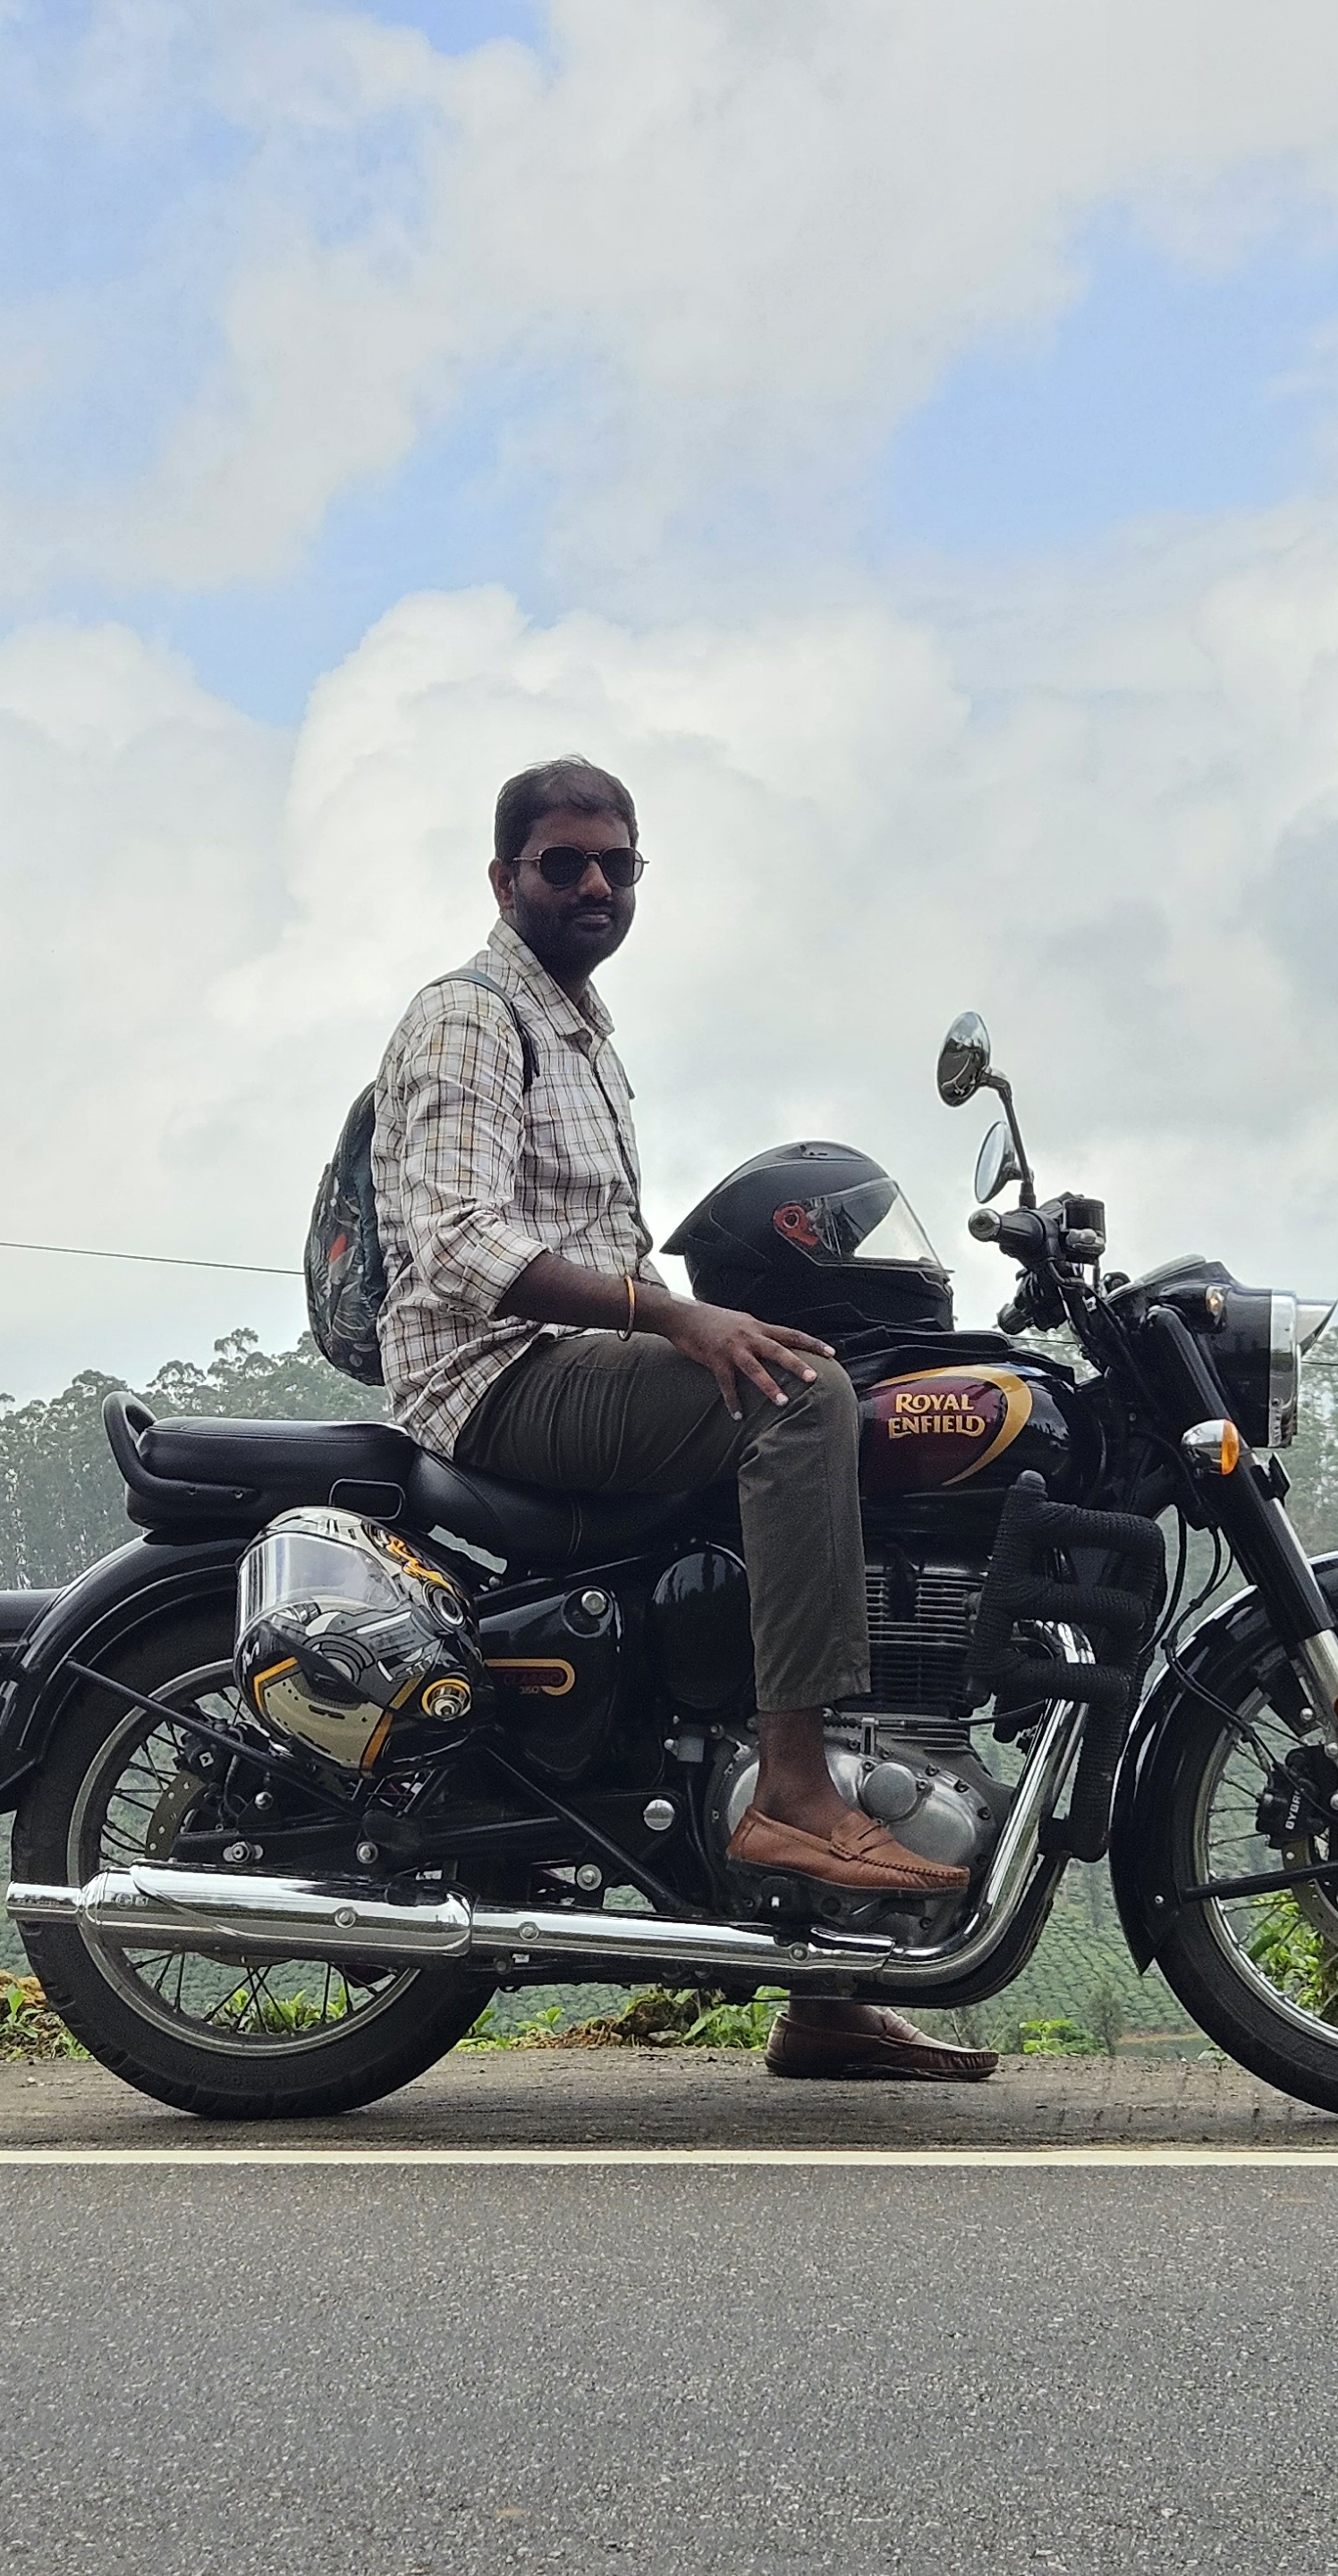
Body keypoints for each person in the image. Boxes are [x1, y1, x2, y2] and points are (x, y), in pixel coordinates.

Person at [368, 756, 999, 2085]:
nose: (594, 884)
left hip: (573, 1356)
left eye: (618, 863)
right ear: (506, 878)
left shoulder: (582, 1030)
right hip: (496, 1374)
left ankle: (826, 1987)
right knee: (800, 1402)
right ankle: (797, 1792)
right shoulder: (473, 1015)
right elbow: (458, 1241)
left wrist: (721, 1313)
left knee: (827, 1385)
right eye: (564, 863)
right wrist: (680, 1321)